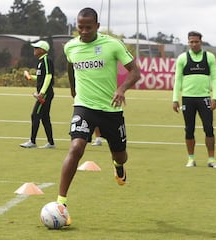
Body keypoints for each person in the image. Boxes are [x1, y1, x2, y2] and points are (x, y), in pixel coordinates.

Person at [56, 7, 140, 224]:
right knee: (76, 148)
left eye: (88, 27)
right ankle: (61, 202)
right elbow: (70, 67)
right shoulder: (71, 47)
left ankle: (118, 166)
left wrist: (121, 90)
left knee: (120, 155)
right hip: (84, 107)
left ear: (97, 26)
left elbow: (135, 71)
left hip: (111, 110)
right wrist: (74, 91)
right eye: (79, 27)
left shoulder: (112, 45)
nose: (83, 31)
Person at [172, 31, 216, 168]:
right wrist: (175, 99)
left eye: (196, 41)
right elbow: (178, 80)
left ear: (201, 42)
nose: (193, 44)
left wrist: (215, 97)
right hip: (188, 99)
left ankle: (211, 159)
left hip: (204, 98)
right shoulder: (182, 58)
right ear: (188, 43)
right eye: (191, 42)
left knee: (209, 129)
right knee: (189, 129)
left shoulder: (209, 57)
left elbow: (215, 78)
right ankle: (191, 159)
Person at [20, 40, 55, 149]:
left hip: (44, 95)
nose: (34, 50)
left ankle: (32, 141)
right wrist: (30, 77)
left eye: (36, 48)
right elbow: (41, 77)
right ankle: (51, 143)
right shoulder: (40, 62)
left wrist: (42, 92)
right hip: (44, 94)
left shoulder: (46, 60)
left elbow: (49, 76)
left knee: (35, 115)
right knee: (45, 118)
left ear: (42, 50)